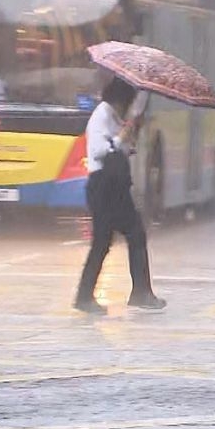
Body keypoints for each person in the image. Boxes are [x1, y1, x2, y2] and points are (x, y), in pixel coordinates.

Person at [74, 77, 166, 314]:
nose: (128, 108)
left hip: (115, 186)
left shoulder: (113, 118)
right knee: (107, 242)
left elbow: (122, 150)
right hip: (104, 186)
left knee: (133, 235)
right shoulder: (101, 116)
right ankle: (87, 297)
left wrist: (132, 134)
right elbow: (100, 151)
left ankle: (138, 292)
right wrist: (121, 138)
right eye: (128, 103)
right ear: (119, 100)